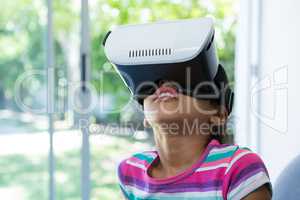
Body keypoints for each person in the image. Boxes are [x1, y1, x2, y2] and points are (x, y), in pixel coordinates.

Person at [116, 65, 272, 199]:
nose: (163, 83)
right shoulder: (130, 173)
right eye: (154, 81)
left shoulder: (239, 169)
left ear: (218, 114)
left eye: (186, 77)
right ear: (145, 116)